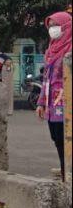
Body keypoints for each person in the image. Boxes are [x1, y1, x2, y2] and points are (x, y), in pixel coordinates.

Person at [36, 11, 71, 180]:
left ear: (67, 26)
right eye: (50, 26)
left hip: (68, 104)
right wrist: (41, 103)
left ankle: (68, 173)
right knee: (57, 139)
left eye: (56, 26)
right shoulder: (50, 50)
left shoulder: (70, 50)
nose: (52, 29)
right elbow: (45, 80)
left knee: (68, 141)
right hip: (52, 103)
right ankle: (65, 171)